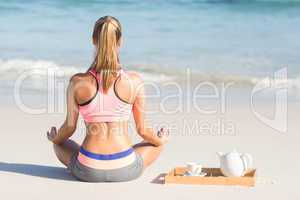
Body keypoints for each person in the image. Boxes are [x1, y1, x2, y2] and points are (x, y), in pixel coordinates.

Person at [46, 16, 169, 182]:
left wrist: (55, 138)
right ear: (120, 41)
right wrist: (161, 139)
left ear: (93, 40)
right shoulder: (134, 81)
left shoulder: (77, 82)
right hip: (125, 167)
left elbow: (69, 128)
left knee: (59, 143)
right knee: (157, 144)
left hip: (87, 169)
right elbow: (143, 131)